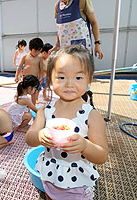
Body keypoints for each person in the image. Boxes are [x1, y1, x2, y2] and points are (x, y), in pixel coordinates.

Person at [26, 45, 108, 200]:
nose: (69, 84)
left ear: (89, 79)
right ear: (51, 78)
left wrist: (85, 145)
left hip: (78, 181)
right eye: (62, 77)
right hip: (50, 173)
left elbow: (102, 156)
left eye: (78, 77)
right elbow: (29, 139)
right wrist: (39, 135)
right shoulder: (45, 110)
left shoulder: (92, 116)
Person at [15, 37, 44, 105]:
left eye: (39, 51)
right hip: (26, 78)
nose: (37, 53)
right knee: (21, 92)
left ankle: (32, 107)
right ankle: (19, 104)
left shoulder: (40, 58)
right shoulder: (25, 56)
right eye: (35, 51)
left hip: (35, 79)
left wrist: (41, 77)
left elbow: (41, 69)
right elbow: (19, 67)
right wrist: (16, 76)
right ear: (30, 49)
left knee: (33, 94)